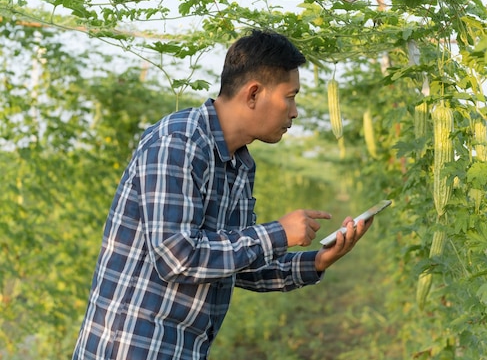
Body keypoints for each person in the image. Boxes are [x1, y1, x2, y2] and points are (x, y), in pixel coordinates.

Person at [72, 29, 374, 360]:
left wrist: (318, 260)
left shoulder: (239, 164)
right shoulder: (178, 144)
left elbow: (237, 263)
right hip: (131, 348)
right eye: (290, 96)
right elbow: (177, 258)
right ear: (254, 93)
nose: (295, 111)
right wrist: (278, 233)